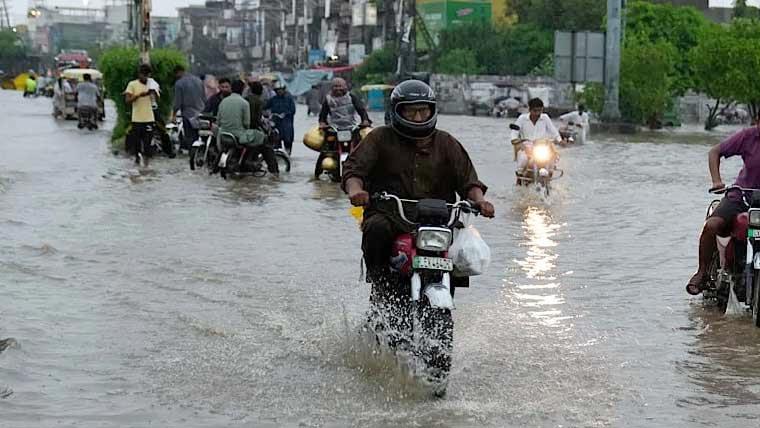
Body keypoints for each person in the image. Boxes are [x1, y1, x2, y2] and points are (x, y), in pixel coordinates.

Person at [342, 80, 495, 289]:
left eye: (423, 111)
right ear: (397, 112)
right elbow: (353, 171)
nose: (418, 117)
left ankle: (447, 287)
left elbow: (468, 180)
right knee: (375, 228)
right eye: (411, 112)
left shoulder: (446, 142)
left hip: (437, 220)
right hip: (391, 215)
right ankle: (380, 286)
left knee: (458, 249)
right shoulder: (379, 138)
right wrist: (356, 191)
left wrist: (481, 201)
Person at [687, 113, 760, 295]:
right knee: (712, 225)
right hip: (742, 197)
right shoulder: (748, 136)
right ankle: (702, 273)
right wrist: (716, 181)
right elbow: (715, 152)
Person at [217, 79, 279, 176]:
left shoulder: (223, 101)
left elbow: (218, 121)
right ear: (242, 89)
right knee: (263, 140)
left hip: (224, 134)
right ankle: (272, 172)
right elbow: (247, 124)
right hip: (238, 135)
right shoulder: (244, 103)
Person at [512, 98, 561, 173]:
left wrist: (560, 140)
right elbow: (514, 133)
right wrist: (516, 141)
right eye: (535, 111)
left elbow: (553, 131)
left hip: (542, 146)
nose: (537, 113)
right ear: (530, 110)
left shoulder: (545, 118)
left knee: (551, 160)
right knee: (522, 160)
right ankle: (520, 176)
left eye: (540, 111)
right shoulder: (522, 118)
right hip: (526, 147)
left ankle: (549, 177)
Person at [124, 64, 158, 166]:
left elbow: (158, 99)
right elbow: (127, 100)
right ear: (139, 74)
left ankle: (146, 164)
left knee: (147, 144)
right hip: (137, 119)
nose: (144, 78)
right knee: (137, 143)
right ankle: (137, 160)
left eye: (146, 76)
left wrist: (153, 93)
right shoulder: (132, 85)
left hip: (149, 119)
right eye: (142, 75)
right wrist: (138, 95)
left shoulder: (152, 84)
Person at [172, 65, 207, 150]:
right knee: (201, 135)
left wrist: (173, 115)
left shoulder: (179, 83)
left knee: (190, 137)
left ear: (179, 72)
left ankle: (192, 154)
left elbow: (178, 102)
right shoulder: (198, 80)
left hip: (188, 114)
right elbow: (204, 98)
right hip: (201, 113)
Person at [265, 80, 296, 154]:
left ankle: (288, 152)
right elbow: (265, 106)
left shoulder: (289, 99)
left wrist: (285, 114)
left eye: (281, 90)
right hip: (276, 122)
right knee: (275, 139)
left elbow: (293, 110)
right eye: (278, 90)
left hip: (287, 122)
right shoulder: (273, 99)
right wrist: (268, 114)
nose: (279, 92)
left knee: (288, 139)